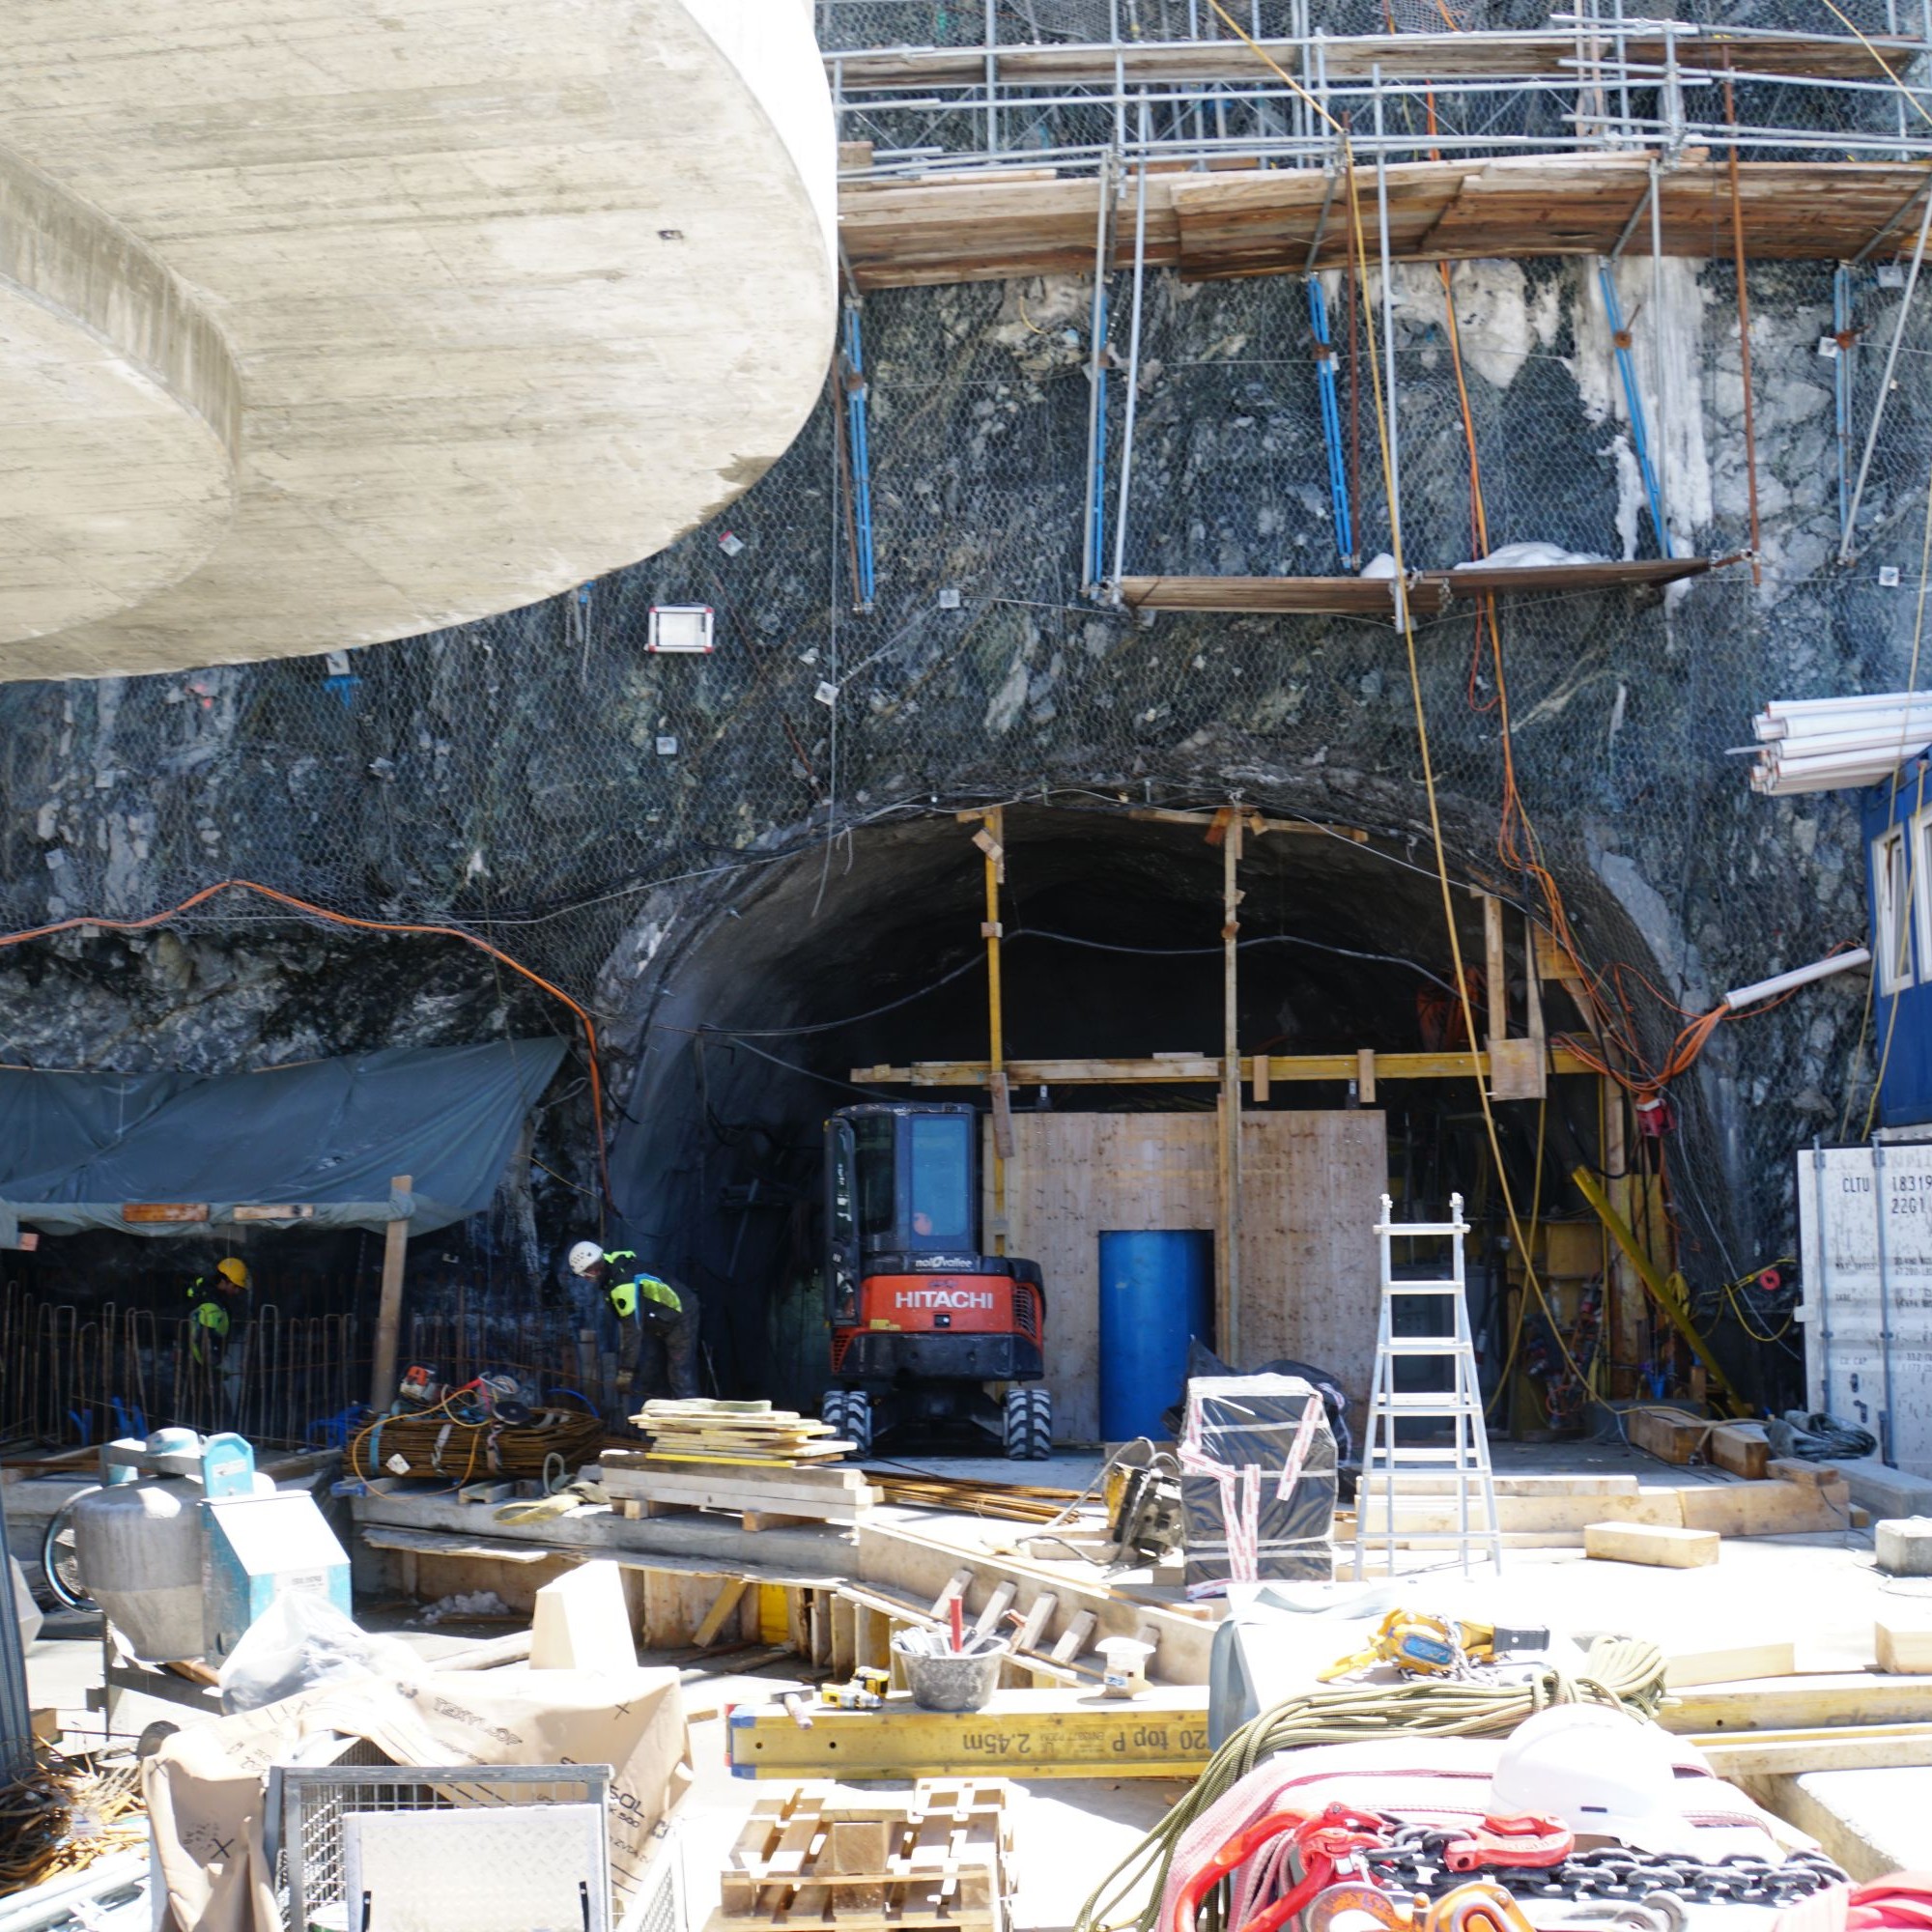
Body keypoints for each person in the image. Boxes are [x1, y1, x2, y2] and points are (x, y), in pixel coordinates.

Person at [567, 1240, 700, 1403]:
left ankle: (690, 1418)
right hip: (658, 1318)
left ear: (593, 1270)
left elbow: (633, 1331)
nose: (587, 1279)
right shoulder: (614, 1265)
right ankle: (661, 1415)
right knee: (652, 1369)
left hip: (680, 1312)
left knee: (680, 1373)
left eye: (587, 1274)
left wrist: (625, 1372)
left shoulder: (623, 1286)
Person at [185, 1257, 250, 1366]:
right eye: (235, 1286)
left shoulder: (207, 1293)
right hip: (200, 1368)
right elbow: (203, 1342)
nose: (237, 1291)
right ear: (225, 1281)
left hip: (197, 1364)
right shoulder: (212, 1306)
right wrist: (213, 1363)